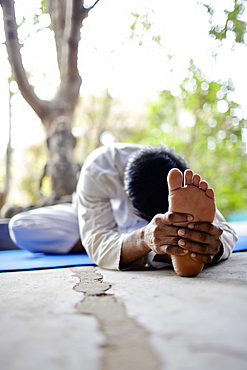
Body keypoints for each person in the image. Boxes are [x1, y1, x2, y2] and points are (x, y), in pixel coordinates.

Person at [9, 143, 237, 272]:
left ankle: (165, 241)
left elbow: (225, 230)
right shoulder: (99, 167)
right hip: (89, 217)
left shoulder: (176, 179)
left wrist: (211, 245)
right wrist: (143, 238)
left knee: (193, 226)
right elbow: (98, 243)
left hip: (154, 228)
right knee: (21, 226)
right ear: (127, 197)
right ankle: (144, 245)